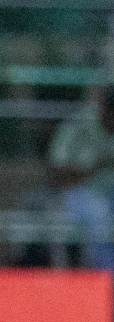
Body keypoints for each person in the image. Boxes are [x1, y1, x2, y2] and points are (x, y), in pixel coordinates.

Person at [48, 86, 114, 270]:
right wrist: (93, 168)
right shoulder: (79, 125)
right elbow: (55, 171)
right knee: (100, 218)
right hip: (81, 192)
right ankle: (106, 274)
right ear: (104, 109)